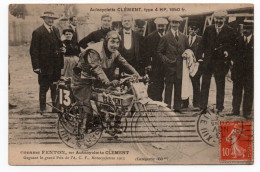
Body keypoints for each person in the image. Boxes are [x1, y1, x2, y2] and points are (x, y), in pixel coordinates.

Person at [72, 31, 139, 133]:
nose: (115, 45)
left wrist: (137, 74)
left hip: (97, 78)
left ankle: (111, 125)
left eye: (117, 43)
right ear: (106, 41)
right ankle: (82, 131)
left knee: (111, 99)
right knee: (85, 106)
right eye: (112, 42)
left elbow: (125, 63)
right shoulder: (95, 51)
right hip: (83, 79)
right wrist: (108, 82)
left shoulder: (115, 52)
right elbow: (96, 68)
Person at [198, 10, 236, 116]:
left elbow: (233, 46)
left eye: (221, 19)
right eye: (217, 18)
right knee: (205, 84)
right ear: (214, 19)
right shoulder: (209, 29)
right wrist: (199, 57)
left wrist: (228, 52)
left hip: (221, 63)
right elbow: (202, 44)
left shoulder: (230, 30)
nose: (219, 21)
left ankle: (219, 108)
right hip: (208, 62)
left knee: (220, 85)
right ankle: (203, 107)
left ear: (225, 19)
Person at [30, 11, 65, 114]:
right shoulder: (38, 32)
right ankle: (43, 109)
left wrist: (63, 48)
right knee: (44, 88)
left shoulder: (56, 30)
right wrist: (36, 66)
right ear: (43, 19)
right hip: (44, 66)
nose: (51, 20)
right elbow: (34, 51)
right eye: (48, 18)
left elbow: (59, 44)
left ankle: (55, 109)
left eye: (52, 19)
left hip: (56, 65)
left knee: (55, 87)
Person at [157, 15, 189, 112]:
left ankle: (177, 107)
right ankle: (167, 107)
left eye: (177, 22)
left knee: (178, 87)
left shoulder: (183, 37)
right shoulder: (165, 37)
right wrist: (166, 61)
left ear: (179, 24)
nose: (175, 24)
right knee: (169, 87)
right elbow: (159, 52)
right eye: (173, 22)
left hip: (180, 67)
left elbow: (187, 49)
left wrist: (186, 54)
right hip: (169, 67)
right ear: (170, 23)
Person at [230, 20, 254, 119]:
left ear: (252, 29)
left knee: (249, 91)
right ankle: (235, 110)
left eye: (247, 28)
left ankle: (247, 112)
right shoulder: (238, 40)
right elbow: (233, 54)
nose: (245, 30)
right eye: (244, 28)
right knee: (236, 91)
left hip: (250, 72)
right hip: (238, 71)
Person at [146, 17, 168, 101]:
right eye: (159, 26)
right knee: (154, 84)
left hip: (166, 64)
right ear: (156, 26)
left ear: (166, 26)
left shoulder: (168, 36)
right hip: (155, 65)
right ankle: (152, 101)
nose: (161, 28)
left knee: (163, 84)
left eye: (163, 26)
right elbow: (147, 52)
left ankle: (160, 100)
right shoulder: (150, 37)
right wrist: (148, 64)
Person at [182, 22, 202, 110]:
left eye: (194, 29)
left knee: (196, 83)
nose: (191, 31)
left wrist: (200, 60)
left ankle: (196, 103)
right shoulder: (184, 38)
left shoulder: (200, 39)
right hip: (185, 65)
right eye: (190, 29)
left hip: (196, 65)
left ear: (197, 30)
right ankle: (185, 103)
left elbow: (203, 50)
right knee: (185, 83)